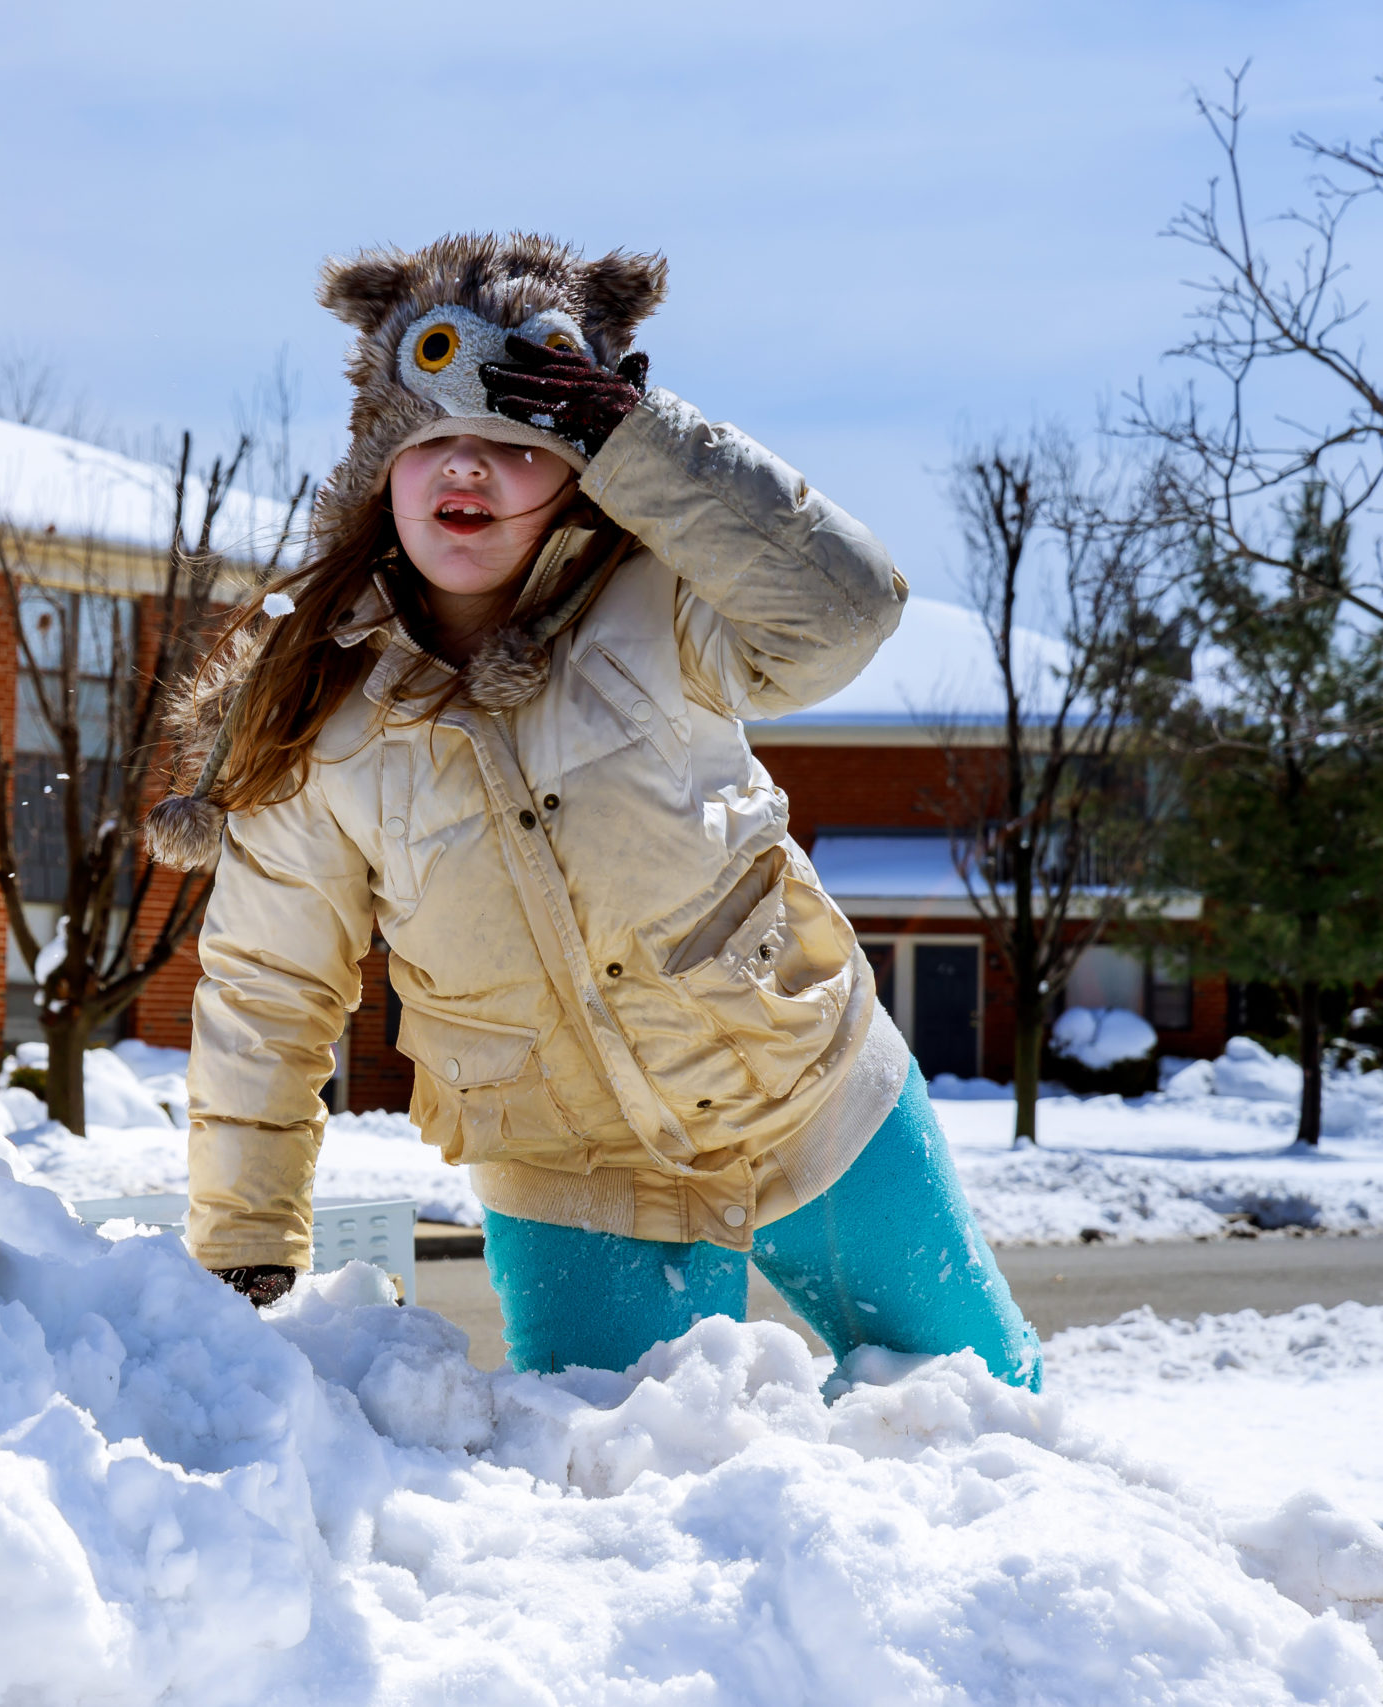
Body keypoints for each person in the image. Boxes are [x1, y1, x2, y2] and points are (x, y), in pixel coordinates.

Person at [150, 233, 1040, 1388]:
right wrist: (246, 1243)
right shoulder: (324, 716)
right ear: (380, 469)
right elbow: (267, 990)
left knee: (971, 1407)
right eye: (433, 445)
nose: (467, 470)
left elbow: (846, 612)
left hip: (809, 1100)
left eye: (516, 443)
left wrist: (638, 436)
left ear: (581, 465)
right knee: (625, 1492)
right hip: (575, 1173)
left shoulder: (664, 601)